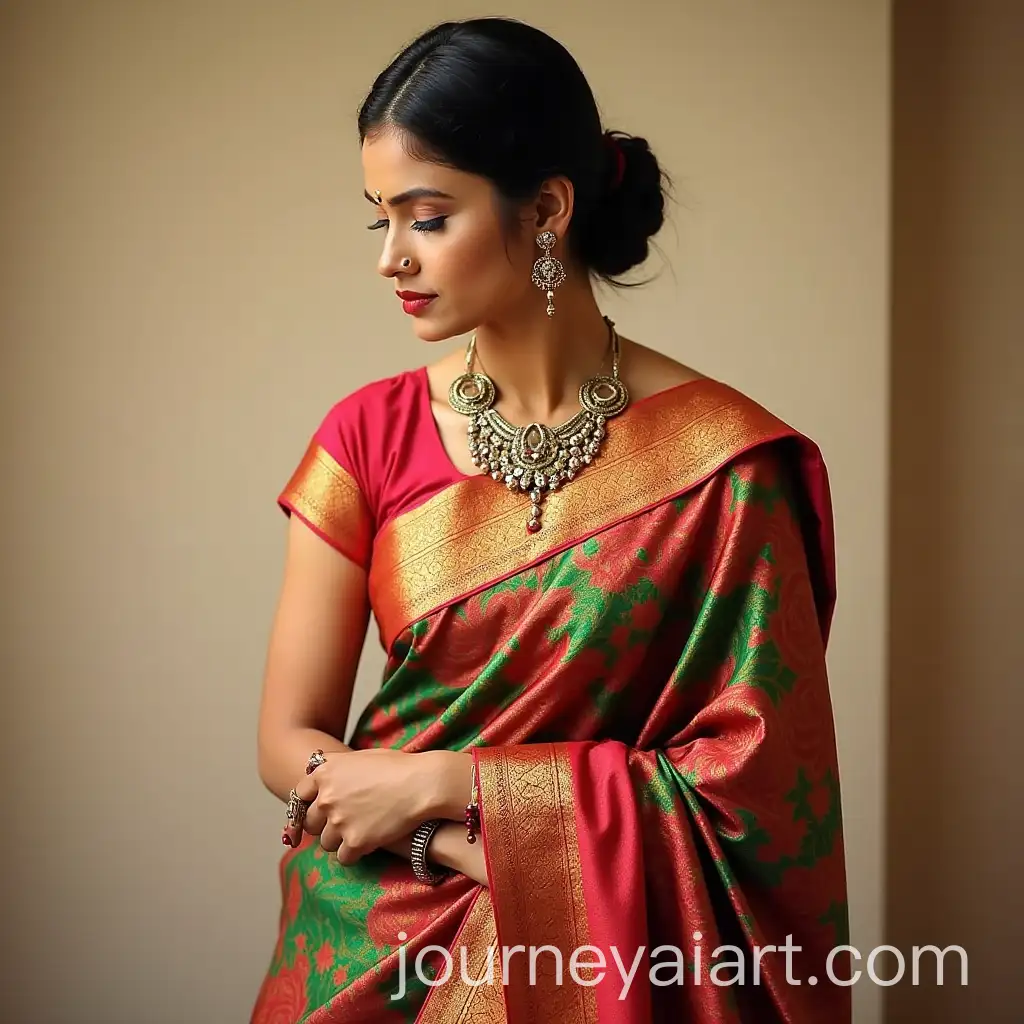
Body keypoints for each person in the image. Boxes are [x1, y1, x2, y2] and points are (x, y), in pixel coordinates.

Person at [251, 16, 850, 1024]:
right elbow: (286, 738)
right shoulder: (365, 437)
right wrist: (451, 838)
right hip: (369, 946)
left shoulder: (725, 466)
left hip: (617, 961)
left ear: (547, 212)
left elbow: (756, 793)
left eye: (427, 217)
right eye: (377, 219)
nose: (390, 258)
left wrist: (453, 780)